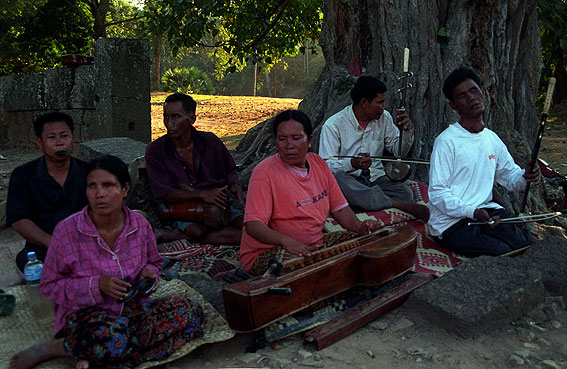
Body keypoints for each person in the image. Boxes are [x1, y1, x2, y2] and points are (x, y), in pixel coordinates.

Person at [9, 155, 205, 369]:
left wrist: (149, 274)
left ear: (125, 189)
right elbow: (50, 286)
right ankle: (59, 347)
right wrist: (97, 285)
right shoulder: (67, 232)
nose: (99, 194)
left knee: (190, 312)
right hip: (87, 317)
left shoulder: (139, 225)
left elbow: (153, 262)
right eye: (92, 186)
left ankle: (96, 354)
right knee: (112, 335)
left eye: (108, 185)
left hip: (133, 309)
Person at [240, 110, 381, 274]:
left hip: (314, 245)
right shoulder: (264, 174)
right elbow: (253, 225)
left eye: (296, 138)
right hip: (269, 252)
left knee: (369, 243)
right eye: (282, 139)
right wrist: (286, 241)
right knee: (303, 269)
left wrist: (360, 227)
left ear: (309, 140)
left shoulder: (318, 164)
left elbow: (340, 208)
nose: (289, 145)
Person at [428, 67, 539, 257]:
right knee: (500, 253)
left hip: (486, 213)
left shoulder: (491, 138)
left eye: (473, 91)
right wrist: (472, 211)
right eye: (462, 96)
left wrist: (525, 175)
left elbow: (511, 177)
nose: (471, 98)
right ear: (453, 105)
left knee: (522, 243)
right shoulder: (446, 141)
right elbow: (437, 193)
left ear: (482, 92)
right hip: (451, 223)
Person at [319, 75, 429, 220]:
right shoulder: (333, 125)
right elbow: (325, 166)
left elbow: (398, 151)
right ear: (364, 102)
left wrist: (407, 132)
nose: (384, 107)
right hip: (350, 179)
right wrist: (352, 163)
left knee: (406, 193)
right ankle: (394, 204)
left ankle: (362, 203)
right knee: (338, 181)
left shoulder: (385, 118)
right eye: (380, 103)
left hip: (375, 178)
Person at [145, 93, 244, 244]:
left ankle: (176, 236)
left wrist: (234, 185)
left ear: (192, 118)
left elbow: (230, 171)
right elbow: (165, 194)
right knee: (196, 231)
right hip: (177, 205)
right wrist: (202, 194)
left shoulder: (210, 142)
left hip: (216, 203)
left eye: (175, 117)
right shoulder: (156, 150)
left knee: (245, 225)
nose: (169, 123)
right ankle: (178, 234)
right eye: (166, 117)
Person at [6, 112, 88, 272]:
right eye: (51, 138)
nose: (59, 143)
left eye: (64, 136)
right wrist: (52, 242)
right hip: (43, 249)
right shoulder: (23, 175)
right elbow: (18, 219)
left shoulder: (88, 172)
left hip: (85, 246)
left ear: (73, 138)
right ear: (39, 143)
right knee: (32, 265)